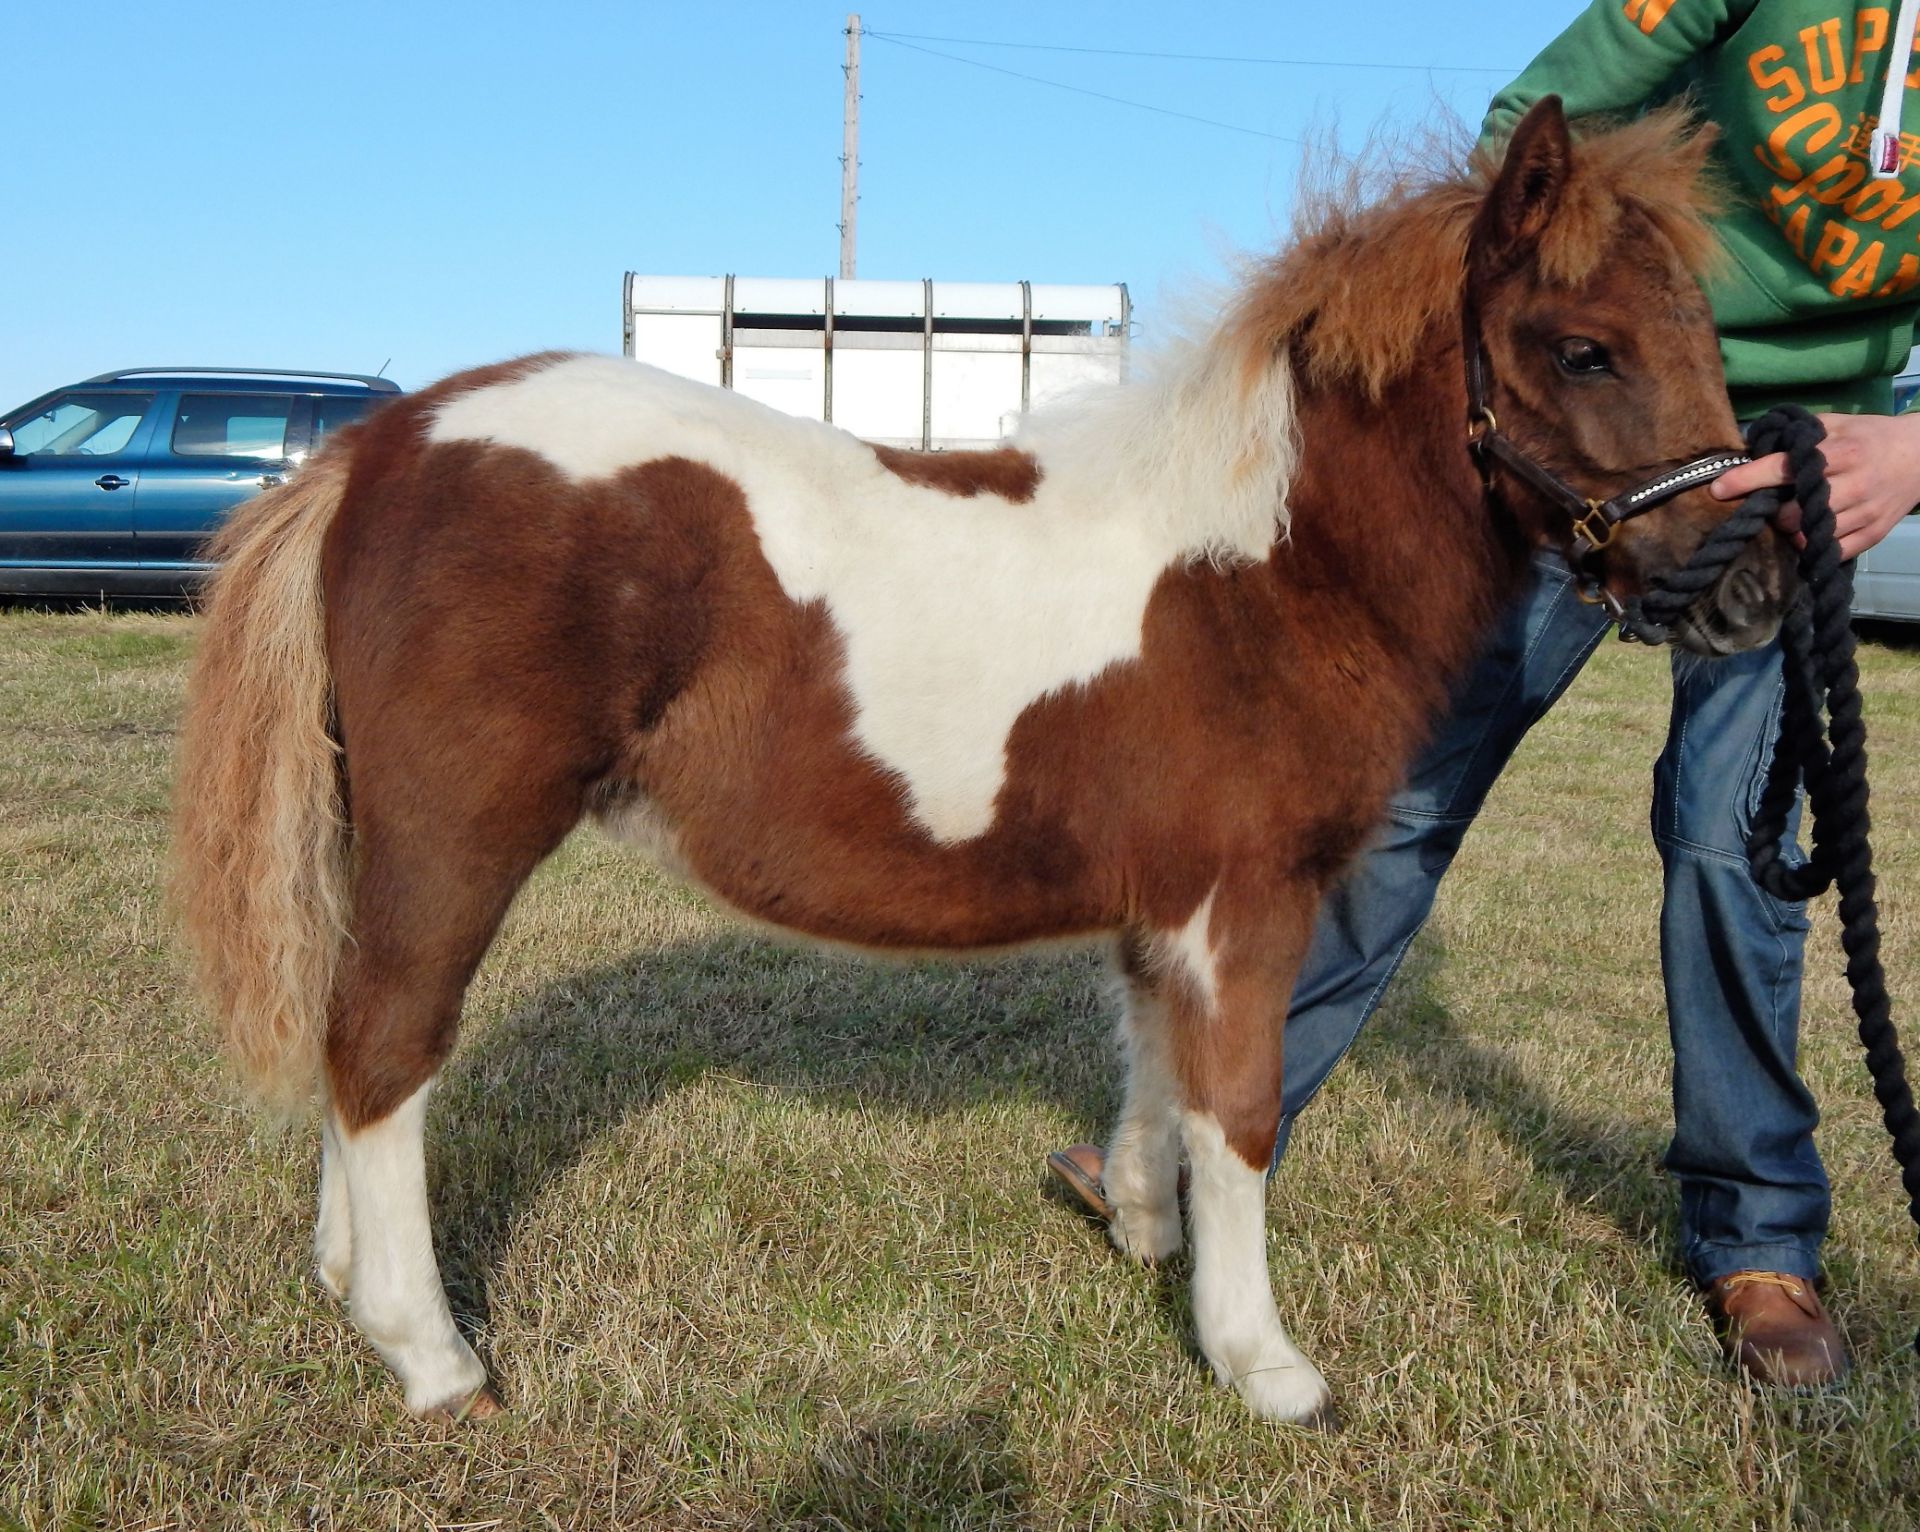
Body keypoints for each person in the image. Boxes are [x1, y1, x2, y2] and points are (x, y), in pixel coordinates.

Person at [1049, 0, 1920, 1387]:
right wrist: (1615, 319)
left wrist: (1912, 450)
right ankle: (1205, 1121)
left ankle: (1761, 1239)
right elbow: (1532, 129)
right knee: (1392, 800)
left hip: (1800, 455)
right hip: (1607, 404)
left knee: (1729, 846)